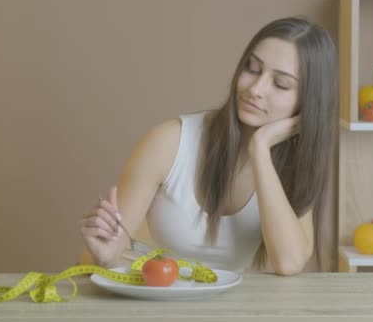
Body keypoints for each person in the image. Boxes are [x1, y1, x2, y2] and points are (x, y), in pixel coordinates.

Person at [79, 17, 338, 276]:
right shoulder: (168, 142)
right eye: (252, 68)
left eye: (280, 84)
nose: (255, 89)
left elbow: (288, 263)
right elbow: (105, 254)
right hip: (141, 293)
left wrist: (259, 150)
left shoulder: (296, 166)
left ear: (307, 103)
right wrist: (106, 257)